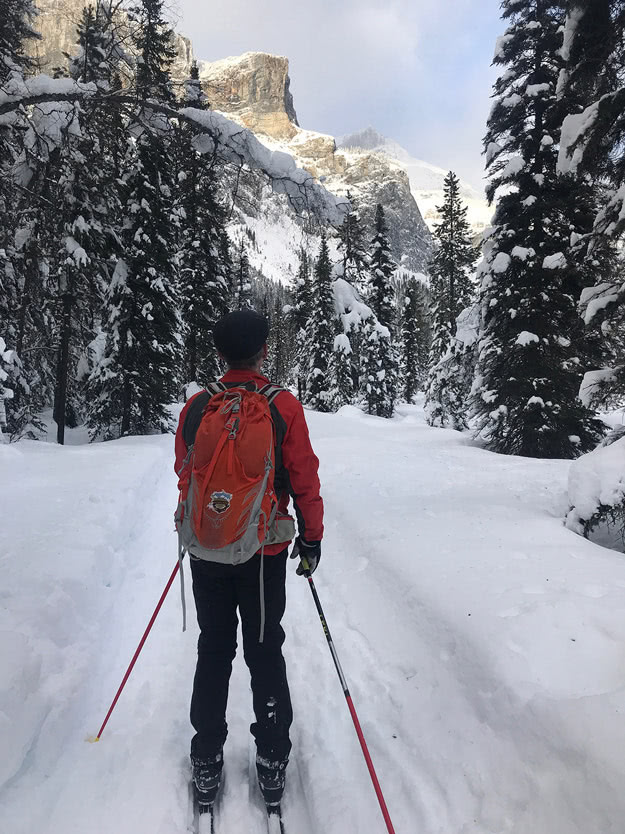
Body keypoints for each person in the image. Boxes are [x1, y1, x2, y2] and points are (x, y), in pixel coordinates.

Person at [174, 309, 324, 809]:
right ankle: (272, 758)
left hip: (208, 549)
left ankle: (206, 758)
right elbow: (303, 476)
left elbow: (186, 473)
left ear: (220, 354)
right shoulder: (283, 407)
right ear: (263, 350)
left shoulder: (197, 407)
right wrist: (312, 537)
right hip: (264, 552)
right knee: (264, 650)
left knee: (214, 648)